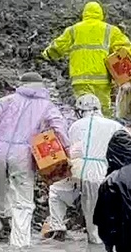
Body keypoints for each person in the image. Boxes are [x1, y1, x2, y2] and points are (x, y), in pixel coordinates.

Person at [0, 72, 71, 247]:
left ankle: (2, 215)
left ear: (22, 84)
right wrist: (67, 151)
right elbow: (59, 128)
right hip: (24, 154)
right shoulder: (48, 107)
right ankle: (19, 245)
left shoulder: (7, 100)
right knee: (23, 200)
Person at [46, 94, 125, 243]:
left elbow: (72, 150)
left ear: (81, 111)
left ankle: (58, 228)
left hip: (81, 173)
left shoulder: (76, 126)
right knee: (99, 218)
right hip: (105, 175)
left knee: (56, 192)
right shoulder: (115, 126)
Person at [41, 1, 131, 114]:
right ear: (101, 14)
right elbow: (127, 48)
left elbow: (58, 46)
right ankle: (103, 129)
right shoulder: (110, 30)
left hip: (80, 80)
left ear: (84, 13)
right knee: (103, 110)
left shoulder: (74, 30)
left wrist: (47, 55)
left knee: (84, 109)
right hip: (102, 81)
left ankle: (85, 129)